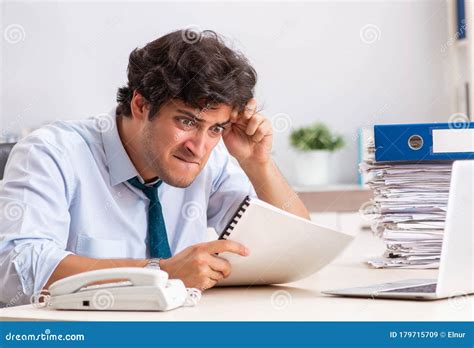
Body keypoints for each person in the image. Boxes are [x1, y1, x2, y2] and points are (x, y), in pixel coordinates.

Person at [0, 29, 309, 306]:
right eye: (187, 121)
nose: (199, 148)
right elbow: (17, 267)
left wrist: (257, 163)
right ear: (141, 104)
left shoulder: (212, 161)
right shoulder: (52, 152)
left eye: (216, 129)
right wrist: (158, 272)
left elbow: (298, 247)